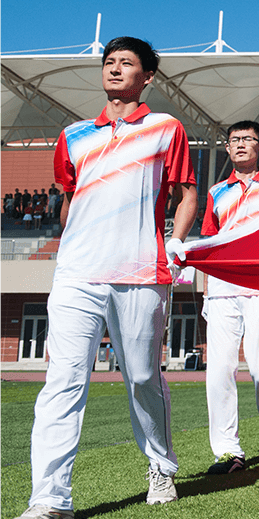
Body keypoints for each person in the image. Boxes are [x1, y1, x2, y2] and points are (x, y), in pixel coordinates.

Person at [23, 37, 197, 517]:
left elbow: (187, 193)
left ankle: (160, 465)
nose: (115, 69)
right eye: (109, 62)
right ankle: (50, 499)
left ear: (147, 77)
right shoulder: (74, 135)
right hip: (77, 273)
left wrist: (176, 241)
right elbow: (69, 200)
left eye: (127, 63)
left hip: (140, 271)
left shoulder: (166, 128)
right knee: (63, 381)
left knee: (141, 377)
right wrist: (76, 241)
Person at [199, 120, 259, 475]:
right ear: (226, 148)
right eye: (233, 140)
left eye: (247, 139)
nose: (239, 144)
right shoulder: (216, 192)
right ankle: (228, 451)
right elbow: (209, 241)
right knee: (219, 371)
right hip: (222, 288)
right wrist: (207, 289)